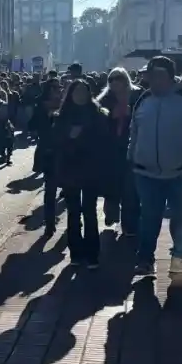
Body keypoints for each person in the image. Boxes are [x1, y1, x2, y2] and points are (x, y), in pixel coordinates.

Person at [128, 56, 182, 276]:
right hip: (146, 173)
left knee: (180, 217)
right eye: (151, 77)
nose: (154, 82)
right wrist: (132, 156)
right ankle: (145, 260)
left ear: (169, 76)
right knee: (149, 217)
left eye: (159, 76)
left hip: (181, 172)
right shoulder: (143, 99)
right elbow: (135, 131)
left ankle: (178, 257)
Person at [54, 79, 109, 268]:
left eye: (84, 92)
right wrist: (70, 137)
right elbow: (57, 142)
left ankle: (92, 254)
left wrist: (82, 136)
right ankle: (76, 252)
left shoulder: (98, 113)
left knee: (89, 211)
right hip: (70, 169)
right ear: (70, 94)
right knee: (73, 212)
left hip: (91, 169)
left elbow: (104, 141)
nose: (80, 95)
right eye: (76, 92)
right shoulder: (63, 115)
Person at [97, 67, 144, 235]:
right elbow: (97, 123)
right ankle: (111, 212)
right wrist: (110, 117)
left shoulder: (138, 95)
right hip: (111, 149)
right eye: (111, 79)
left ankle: (129, 225)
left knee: (130, 188)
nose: (115, 82)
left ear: (126, 80)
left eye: (118, 78)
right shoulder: (104, 100)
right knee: (112, 185)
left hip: (133, 147)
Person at [30, 79, 62, 236]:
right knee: (50, 190)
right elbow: (32, 124)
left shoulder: (66, 104)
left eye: (58, 88)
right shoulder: (41, 106)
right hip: (49, 151)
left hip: (65, 153)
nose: (57, 91)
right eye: (54, 88)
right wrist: (45, 116)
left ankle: (74, 220)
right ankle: (50, 223)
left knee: (69, 189)